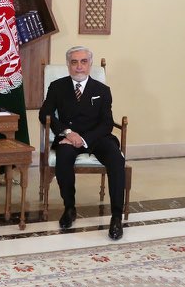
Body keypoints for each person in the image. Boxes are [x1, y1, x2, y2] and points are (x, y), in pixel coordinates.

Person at [39, 46, 127, 240]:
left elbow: (107, 123)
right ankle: (69, 208)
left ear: (90, 64)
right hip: (69, 137)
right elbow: (44, 114)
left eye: (83, 62)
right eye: (74, 62)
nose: (79, 66)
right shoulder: (57, 87)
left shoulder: (102, 90)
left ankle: (116, 217)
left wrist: (85, 139)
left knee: (116, 159)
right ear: (68, 65)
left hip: (97, 138)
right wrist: (68, 133)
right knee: (63, 157)